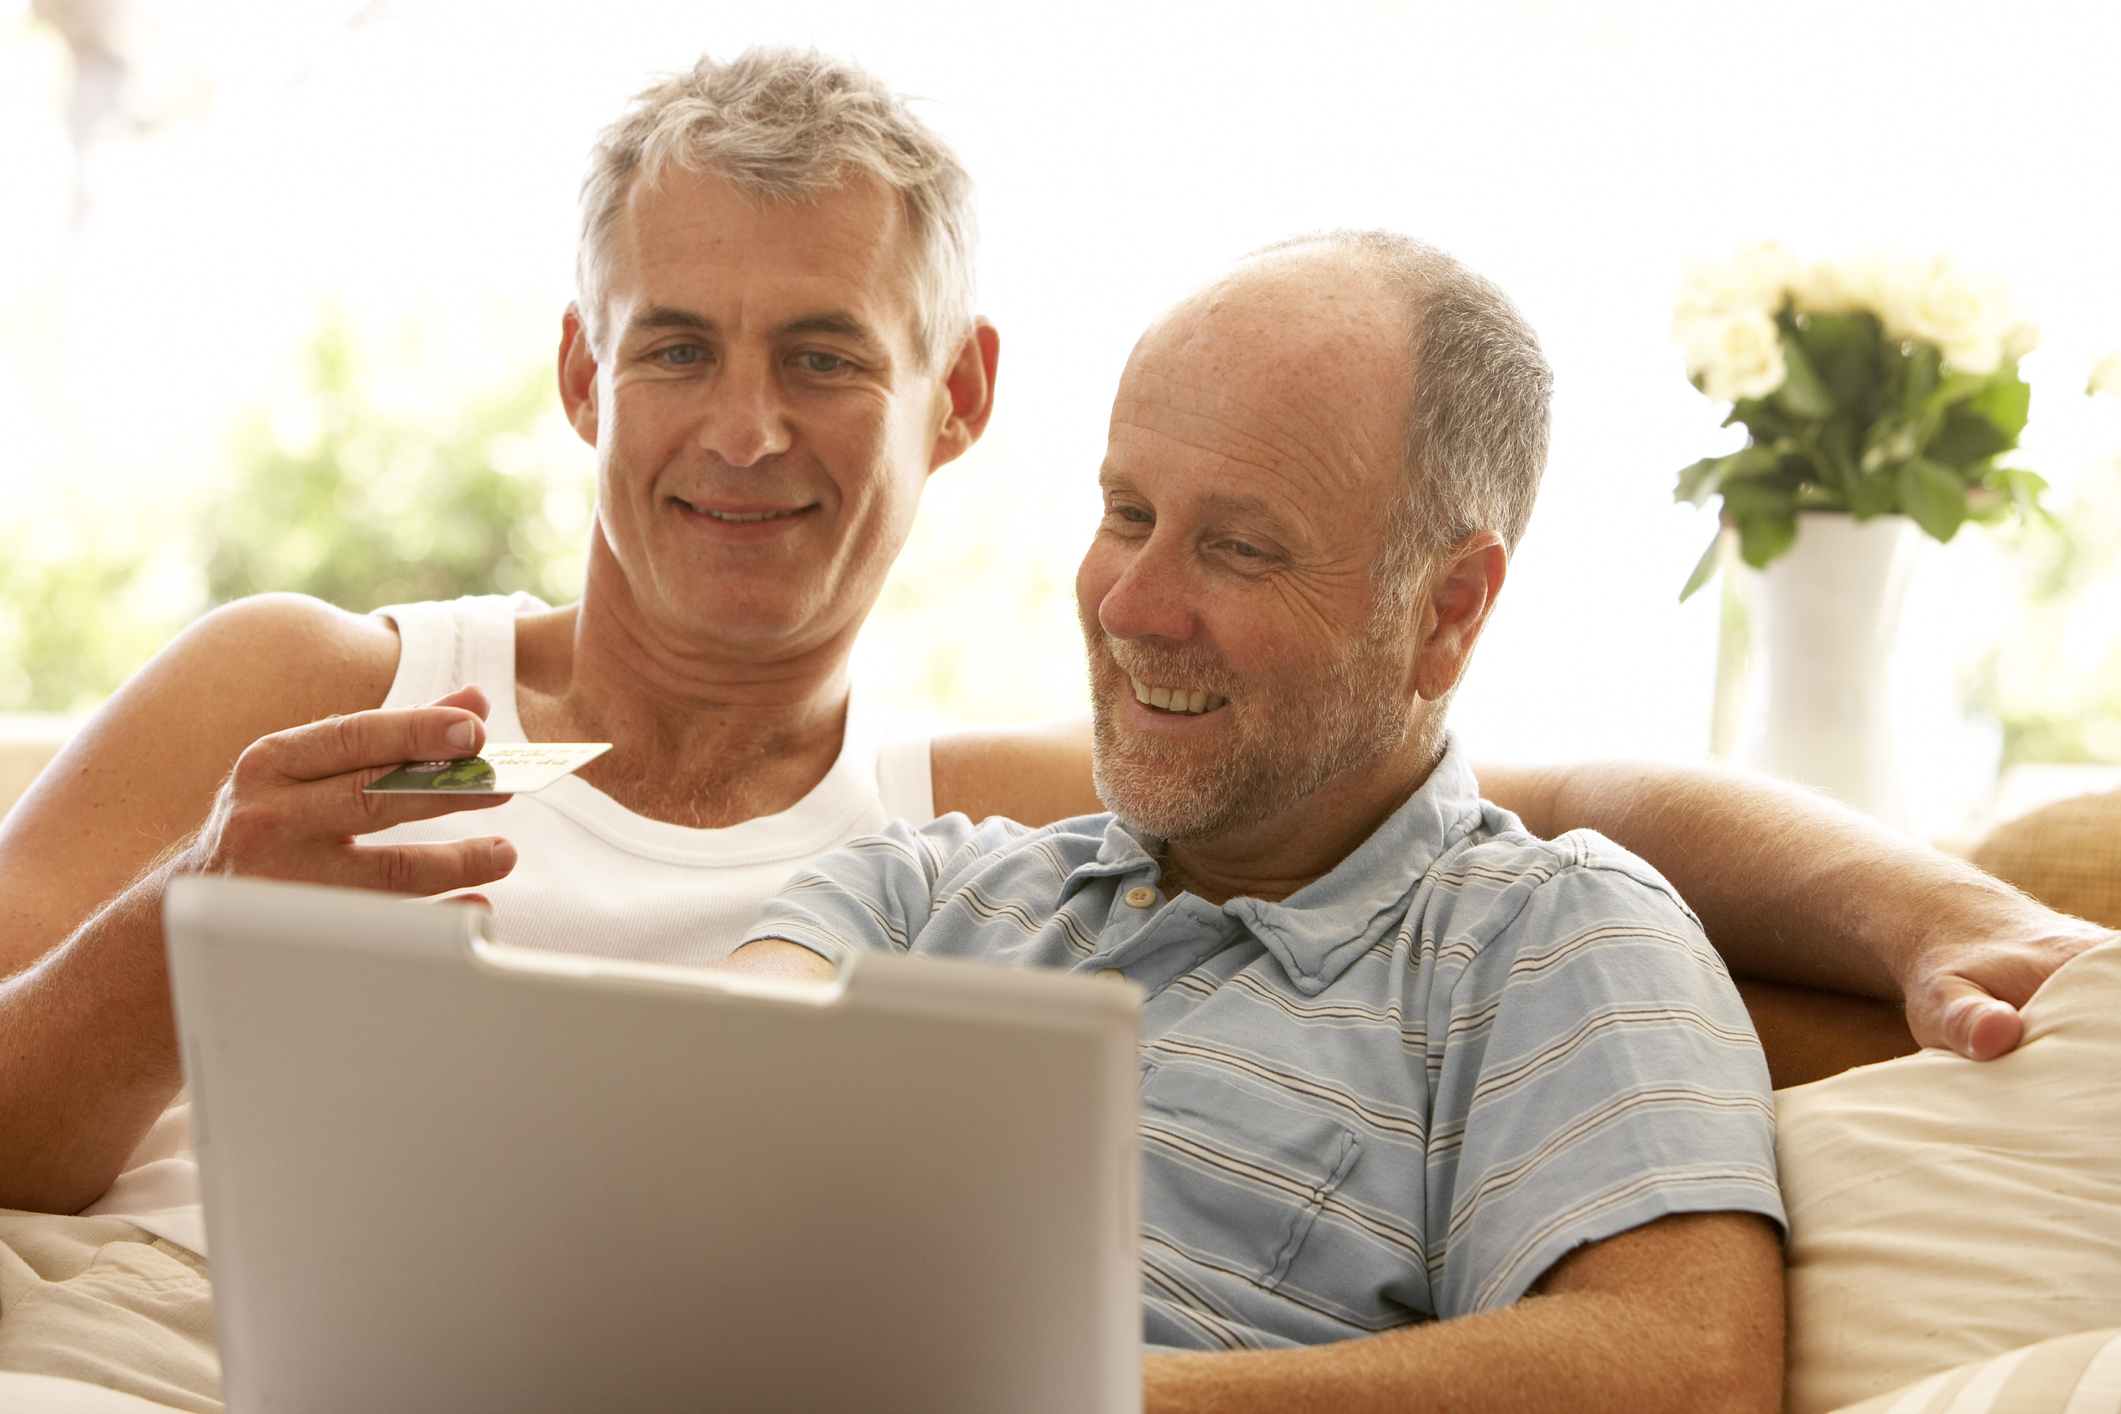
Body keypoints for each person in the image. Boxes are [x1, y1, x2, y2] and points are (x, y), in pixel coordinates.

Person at [0, 43, 2104, 1408]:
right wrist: (196, 937)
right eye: (1122, 520)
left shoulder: (1454, 906)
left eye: (822, 352)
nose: (1134, 603)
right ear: (579, 374)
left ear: (953, 397)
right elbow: (703, 1120)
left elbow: (1547, 838)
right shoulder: (948, 864)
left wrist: (1929, 901)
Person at [722, 233, 1786, 1412]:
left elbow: (1691, 1367)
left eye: (1237, 547)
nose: (1132, 606)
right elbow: (698, 1146)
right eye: (1128, 513)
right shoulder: (918, 888)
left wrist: (1068, 1393)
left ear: (1447, 609)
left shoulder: (1549, 937)